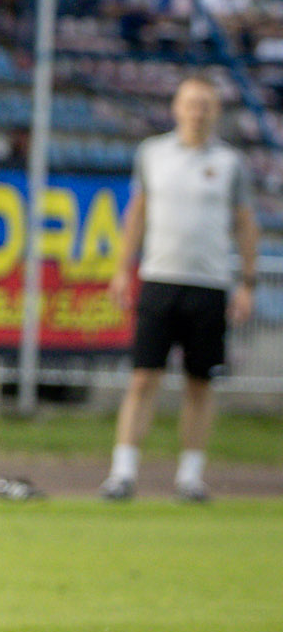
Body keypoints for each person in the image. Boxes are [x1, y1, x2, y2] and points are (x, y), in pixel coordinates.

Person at [100, 77, 259, 503]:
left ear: (215, 110)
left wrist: (247, 281)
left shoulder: (229, 163)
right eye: (191, 103)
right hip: (159, 278)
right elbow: (138, 212)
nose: (197, 111)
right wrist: (122, 268)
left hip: (209, 284)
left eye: (205, 104)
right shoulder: (152, 154)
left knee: (199, 383)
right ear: (176, 107)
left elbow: (245, 223)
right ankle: (122, 472)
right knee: (142, 377)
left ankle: (190, 476)